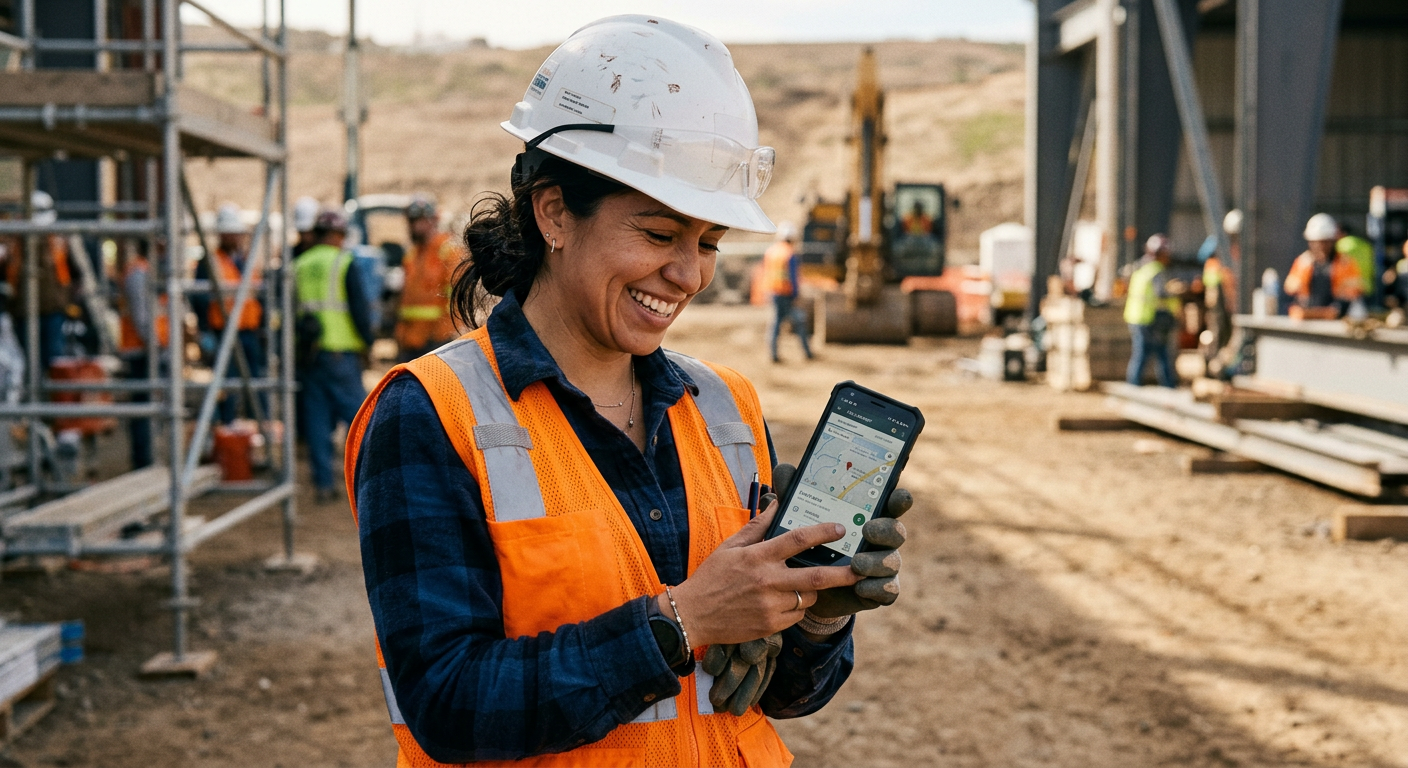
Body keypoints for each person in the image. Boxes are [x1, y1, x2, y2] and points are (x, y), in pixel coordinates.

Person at [347, 16, 913, 767]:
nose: (690, 274)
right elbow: (446, 705)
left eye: (708, 243)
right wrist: (680, 623)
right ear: (554, 212)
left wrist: (811, 623)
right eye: (659, 234)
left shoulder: (727, 409)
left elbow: (781, 696)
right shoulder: (430, 413)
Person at [295, 209, 374, 503]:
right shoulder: (343, 262)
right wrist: (367, 342)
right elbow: (358, 309)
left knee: (316, 420)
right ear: (339, 236)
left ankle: (324, 484)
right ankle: (372, 478)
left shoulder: (299, 265)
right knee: (363, 419)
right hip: (341, 354)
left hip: (309, 356)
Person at [194, 203, 266, 423]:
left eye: (238, 233)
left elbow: (256, 295)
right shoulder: (209, 262)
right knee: (227, 384)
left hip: (249, 331)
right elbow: (199, 298)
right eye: (231, 233)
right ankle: (226, 425)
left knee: (256, 382)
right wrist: (204, 331)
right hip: (223, 331)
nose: (237, 237)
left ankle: (259, 426)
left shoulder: (246, 261)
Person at [6, 191, 76, 370]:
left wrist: (69, 301)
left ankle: (52, 396)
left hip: (52, 310)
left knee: (54, 359)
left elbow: (73, 272)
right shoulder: (14, 239)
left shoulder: (58, 239)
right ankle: (34, 395)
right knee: (28, 362)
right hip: (23, 311)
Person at [116, 240, 169, 469]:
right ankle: (143, 461)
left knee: (148, 404)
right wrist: (153, 342)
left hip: (148, 347)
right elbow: (141, 314)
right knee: (143, 405)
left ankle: (147, 458)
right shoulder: (139, 272)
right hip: (141, 349)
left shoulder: (146, 271)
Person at [394, 195, 462, 362]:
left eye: (420, 220)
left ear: (433, 220)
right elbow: (405, 301)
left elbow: (456, 296)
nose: (415, 225)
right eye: (412, 221)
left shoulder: (448, 251)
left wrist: (442, 336)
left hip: (436, 342)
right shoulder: (411, 256)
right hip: (410, 343)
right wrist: (401, 334)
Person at [1125, 234, 1182, 388]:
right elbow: (1161, 295)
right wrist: (1176, 296)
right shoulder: (1156, 270)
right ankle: (1162, 385)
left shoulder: (1140, 267)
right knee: (1154, 353)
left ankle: (1137, 384)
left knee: (1148, 353)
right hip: (1149, 318)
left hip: (1136, 317)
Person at [1284, 213, 1362, 319]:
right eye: (1316, 242)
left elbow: (1350, 298)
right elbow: (1290, 294)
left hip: (1339, 321)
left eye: (1325, 242)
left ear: (1332, 241)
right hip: (1306, 322)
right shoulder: (1303, 263)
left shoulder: (1345, 263)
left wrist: (1319, 313)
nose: (1320, 247)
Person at [762, 222, 814, 363]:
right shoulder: (789, 253)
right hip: (785, 294)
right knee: (798, 320)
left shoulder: (771, 251)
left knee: (776, 323)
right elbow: (793, 278)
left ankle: (773, 354)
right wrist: (796, 295)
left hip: (773, 292)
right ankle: (807, 353)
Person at [1197, 235, 1234, 358]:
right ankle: (1214, 356)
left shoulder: (1209, 265)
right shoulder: (1217, 265)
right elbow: (1226, 285)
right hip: (1218, 305)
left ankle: (1212, 356)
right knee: (1219, 330)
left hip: (1213, 305)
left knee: (1215, 329)